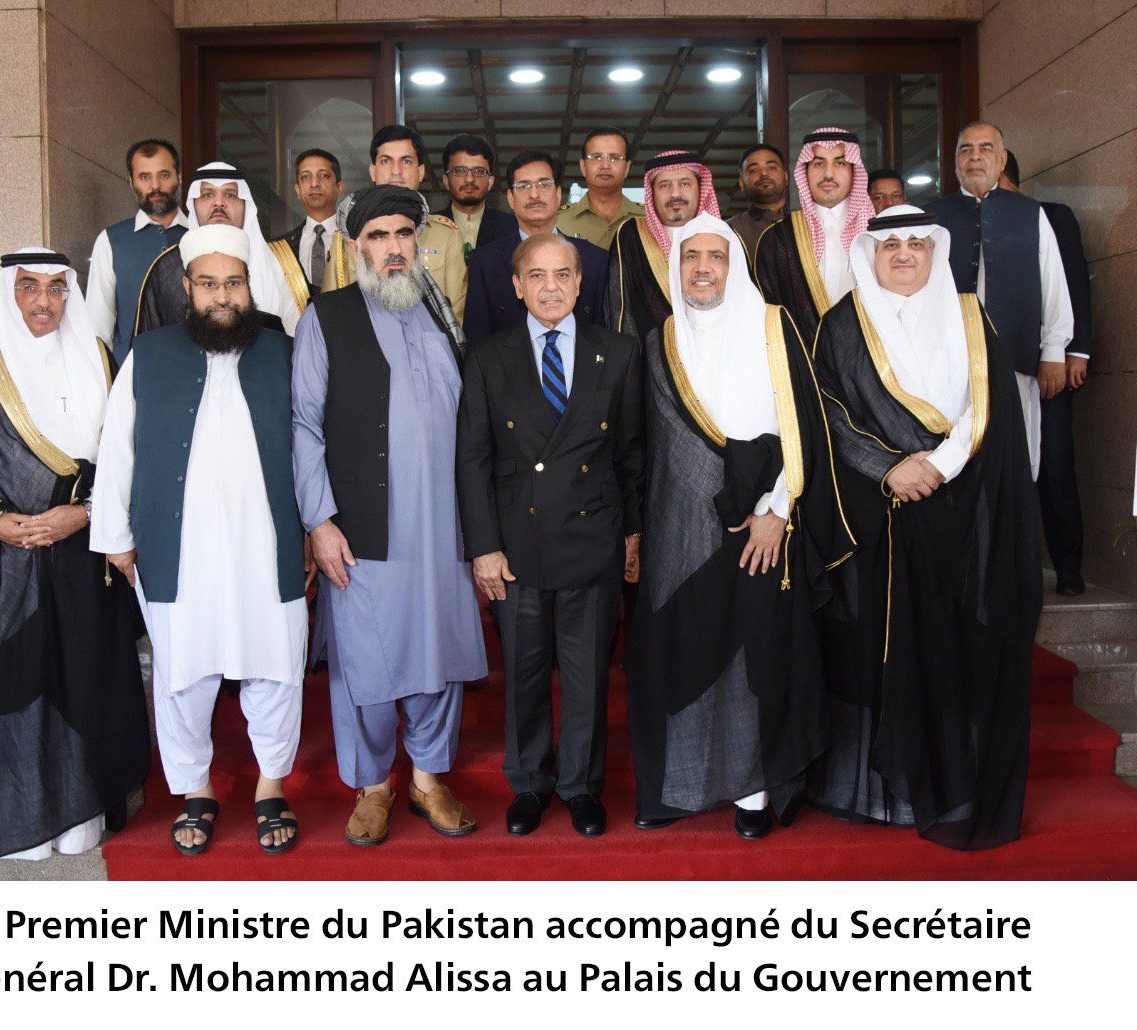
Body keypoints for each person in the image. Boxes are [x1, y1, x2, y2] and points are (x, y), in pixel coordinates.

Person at [809, 206, 1041, 850]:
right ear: (871, 254)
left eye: (916, 243)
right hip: (877, 513)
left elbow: (990, 405)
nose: (904, 254)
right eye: (891, 246)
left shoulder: (969, 315)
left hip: (962, 506)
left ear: (934, 252)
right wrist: (889, 467)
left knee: (956, 644)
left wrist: (938, 464)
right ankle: (887, 792)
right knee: (881, 647)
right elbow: (826, 412)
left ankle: (954, 782)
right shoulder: (841, 324)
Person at [626, 214, 852, 841]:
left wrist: (778, 511)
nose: (703, 268)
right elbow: (646, 443)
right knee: (679, 646)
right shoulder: (659, 341)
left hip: (762, 524)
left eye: (716, 256)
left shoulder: (774, 327)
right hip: (677, 527)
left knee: (754, 654)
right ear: (676, 266)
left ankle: (754, 791)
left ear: (735, 265)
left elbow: (805, 427)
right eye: (691, 256)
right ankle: (679, 786)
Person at [91, 224, 309, 857]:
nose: (222, 297)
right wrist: (116, 537)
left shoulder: (285, 351)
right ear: (187, 288)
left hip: (266, 543)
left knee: (276, 664)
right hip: (175, 546)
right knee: (182, 673)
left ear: (249, 286)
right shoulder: (148, 354)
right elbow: (117, 449)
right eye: (208, 284)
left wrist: (315, 528)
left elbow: (312, 446)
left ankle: (271, 785)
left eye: (233, 283)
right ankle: (196, 790)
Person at [0, 248, 150, 861]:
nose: (44, 301)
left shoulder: (98, 357)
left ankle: (82, 814)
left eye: (55, 288)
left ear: (69, 294)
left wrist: (84, 514)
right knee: (15, 684)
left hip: (82, 556)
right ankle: (19, 819)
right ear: (10, 291)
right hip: (5, 564)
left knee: (83, 677)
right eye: (29, 287)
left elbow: (128, 453)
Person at [293, 185, 488, 846]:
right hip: (363, 525)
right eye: (378, 237)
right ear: (357, 248)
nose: (393, 248)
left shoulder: (443, 314)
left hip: (443, 526)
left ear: (418, 242)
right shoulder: (327, 316)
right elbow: (303, 425)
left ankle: (428, 781)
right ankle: (373, 786)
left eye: (404, 234)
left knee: (439, 653)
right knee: (368, 660)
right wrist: (319, 522)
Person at [457, 232, 644, 838]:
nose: (550, 287)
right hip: (516, 543)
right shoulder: (487, 355)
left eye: (562, 274)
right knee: (525, 672)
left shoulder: (618, 351)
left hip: (594, 536)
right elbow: (473, 459)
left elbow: (631, 454)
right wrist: (483, 547)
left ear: (580, 282)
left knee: (587, 675)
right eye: (536, 275)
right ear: (517, 286)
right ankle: (530, 784)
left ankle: (582, 787)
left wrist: (633, 533)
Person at [927, 123, 1074, 514]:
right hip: (950, 364)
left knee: (1016, 462)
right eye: (965, 149)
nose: (975, 157)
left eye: (985, 148)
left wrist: (1054, 350)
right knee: (955, 460)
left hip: (1016, 358)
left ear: (1002, 158)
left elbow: (1053, 282)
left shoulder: (1030, 213)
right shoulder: (933, 216)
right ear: (955, 160)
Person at [998, 149, 1090, 595]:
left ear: (1003, 172)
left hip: (1050, 366)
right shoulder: (971, 225)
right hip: (997, 370)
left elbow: (1074, 283)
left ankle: (1068, 568)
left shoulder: (1051, 215)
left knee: (1055, 463)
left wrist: (1077, 352)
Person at [134, 161, 307, 337]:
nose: (218, 203)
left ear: (245, 205)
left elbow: (297, 340)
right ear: (194, 205)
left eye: (230, 195)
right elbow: (152, 342)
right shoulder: (166, 268)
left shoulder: (280, 265)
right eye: (208, 195)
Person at [323, 124, 468, 321]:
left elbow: (456, 315)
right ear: (373, 172)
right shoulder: (346, 237)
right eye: (386, 161)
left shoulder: (446, 235)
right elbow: (331, 313)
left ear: (421, 172)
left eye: (406, 161)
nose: (396, 171)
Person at [463, 149, 608, 338]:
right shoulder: (485, 262)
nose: (534, 194)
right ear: (510, 198)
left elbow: (603, 338)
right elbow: (477, 341)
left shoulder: (594, 259)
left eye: (544, 184)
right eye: (523, 186)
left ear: (558, 194)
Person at [754, 127, 875, 345]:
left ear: (854, 171)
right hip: (802, 360)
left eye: (840, 163)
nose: (828, 174)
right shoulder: (778, 239)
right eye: (819, 164)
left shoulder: (878, 236)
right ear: (805, 171)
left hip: (866, 357)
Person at [605, 149, 721, 349]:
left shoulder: (723, 236)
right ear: (652, 193)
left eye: (685, 184)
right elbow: (620, 308)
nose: (675, 193)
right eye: (665, 185)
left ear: (700, 189)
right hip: (650, 357)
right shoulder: (632, 234)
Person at [85, 139, 188, 361]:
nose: (155, 186)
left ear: (179, 177)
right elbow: (98, 327)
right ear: (131, 182)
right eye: (144, 177)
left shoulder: (200, 237)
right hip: (131, 375)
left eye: (164, 175)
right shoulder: (111, 240)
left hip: (196, 373)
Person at [556, 126, 644, 250]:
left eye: (614, 158)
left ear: (627, 168)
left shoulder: (648, 219)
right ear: (583, 166)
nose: (605, 165)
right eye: (597, 157)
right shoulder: (558, 221)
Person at [435, 133, 517, 260]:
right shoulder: (428, 227)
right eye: (460, 171)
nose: (469, 179)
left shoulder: (512, 227)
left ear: (490, 181)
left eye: (479, 171)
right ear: (446, 181)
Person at [279, 148, 345, 295]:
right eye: (305, 177)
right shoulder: (281, 248)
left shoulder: (357, 240)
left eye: (324, 175)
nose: (314, 183)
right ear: (298, 190)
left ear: (340, 187)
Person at [727, 144, 789, 264]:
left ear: (786, 177)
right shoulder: (729, 230)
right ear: (741, 183)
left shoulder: (807, 225)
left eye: (772, 167)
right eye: (754, 170)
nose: (764, 173)